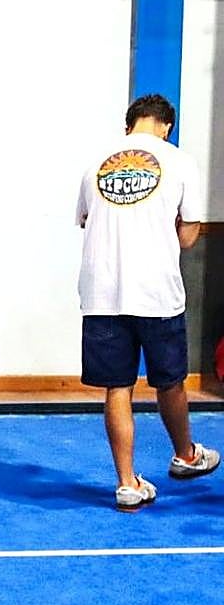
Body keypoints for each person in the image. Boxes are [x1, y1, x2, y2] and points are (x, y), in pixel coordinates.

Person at [76, 93, 219, 510]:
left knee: (116, 386)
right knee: (170, 380)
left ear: (129, 126)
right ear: (166, 126)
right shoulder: (179, 160)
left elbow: (85, 219)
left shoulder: (95, 164)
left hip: (101, 291)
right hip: (156, 290)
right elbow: (190, 234)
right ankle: (187, 455)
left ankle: (126, 483)